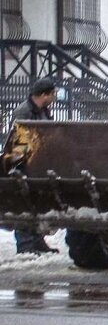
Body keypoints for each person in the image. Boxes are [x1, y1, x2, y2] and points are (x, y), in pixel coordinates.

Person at [11, 78, 59, 255]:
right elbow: (19, 141)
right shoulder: (24, 112)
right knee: (24, 204)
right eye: (53, 93)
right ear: (44, 94)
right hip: (25, 165)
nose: (54, 97)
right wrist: (21, 166)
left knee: (37, 203)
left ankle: (37, 240)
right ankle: (25, 245)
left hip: (39, 164)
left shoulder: (42, 110)